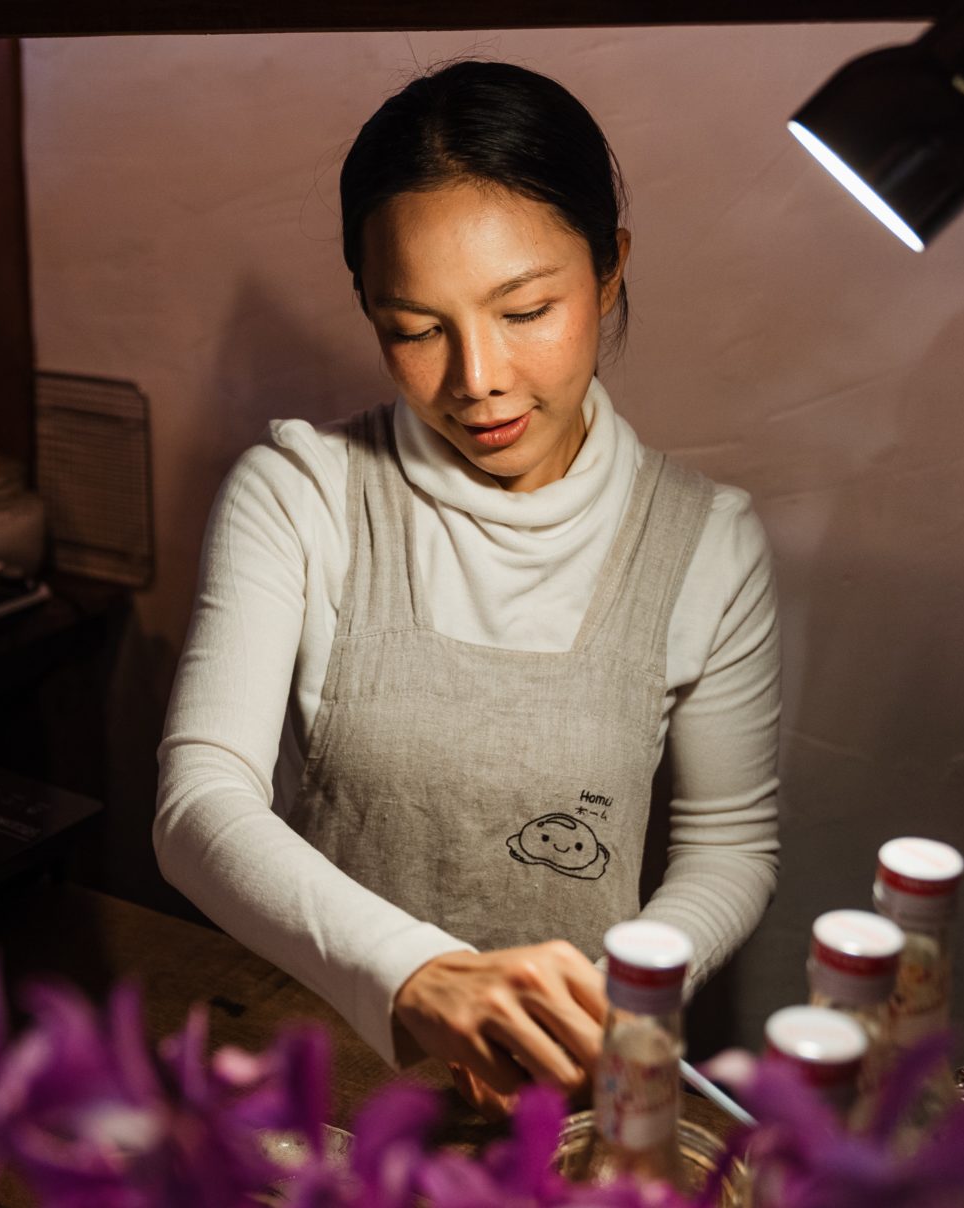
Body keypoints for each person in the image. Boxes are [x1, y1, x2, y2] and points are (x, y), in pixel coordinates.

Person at [155, 60, 781, 1116]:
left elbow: (731, 844)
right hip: (336, 1081)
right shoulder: (303, 494)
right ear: (369, 309)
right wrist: (415, 972)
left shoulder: (706, 541)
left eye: (527, 308)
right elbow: (197, 803)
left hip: (574, 1091)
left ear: (610, 269)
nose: (477, 376)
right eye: (415, 327)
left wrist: (613, 1003)